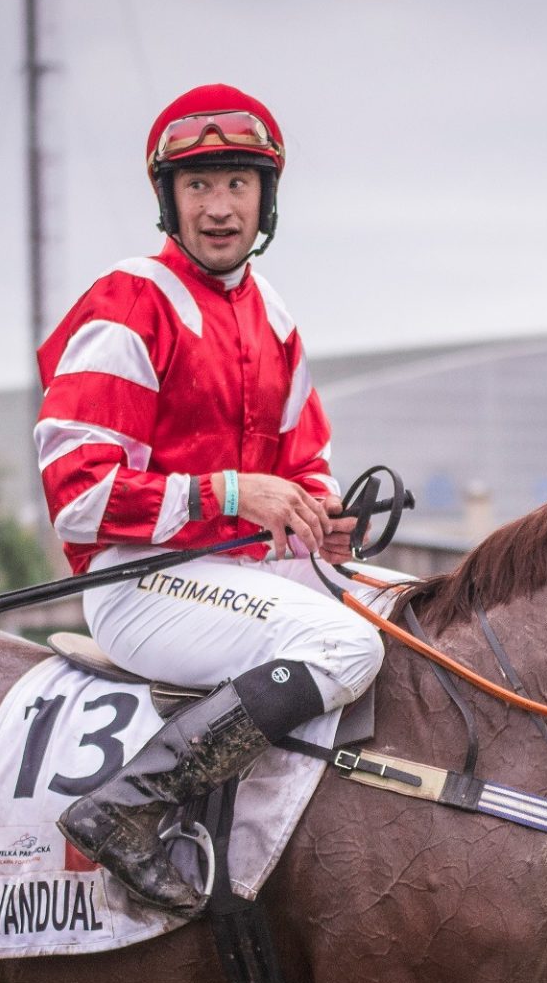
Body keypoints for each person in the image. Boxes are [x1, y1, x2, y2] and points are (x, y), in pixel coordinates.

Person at [32, 84, 382, 915]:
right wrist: (230, 493)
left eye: (236, 184)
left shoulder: (276, 318)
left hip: (246, 582)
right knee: (350, 651)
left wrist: (322, 523)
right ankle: (130, 807)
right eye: (198, 186)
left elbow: (308, 464)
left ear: (266, 198)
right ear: (169, 199)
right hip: (136, 582)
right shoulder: (130, 302)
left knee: (409, 613)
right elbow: (77, 498)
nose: (218, 207)